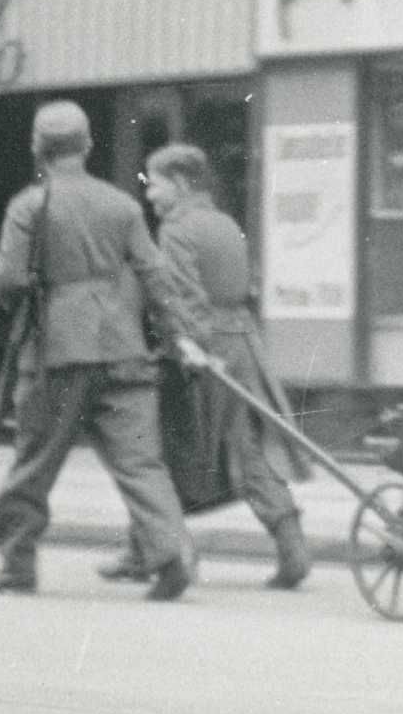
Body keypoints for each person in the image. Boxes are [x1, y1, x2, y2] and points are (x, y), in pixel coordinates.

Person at [0, 101, 207, 600]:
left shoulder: (29, 205)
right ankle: (171, 555)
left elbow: (8, 279)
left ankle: (17, 564)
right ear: (88, 146)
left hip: (58, 352)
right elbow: (156, 277)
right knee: (141, 463)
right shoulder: (122, 205)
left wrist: (19, 291)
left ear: (38, 149)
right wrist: (181, 336)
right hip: (124, 349)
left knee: (34, 463)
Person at [97, 144, 314, 590]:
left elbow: (183, 298)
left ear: (179, 183)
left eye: (154, 184)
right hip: (243, 342)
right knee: (246, 444)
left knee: (163, 448)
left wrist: (188, 349)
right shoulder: (225, 223)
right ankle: (291, 546)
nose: (149, 194)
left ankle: (163, 552)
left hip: (204, 349)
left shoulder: (176, 230)